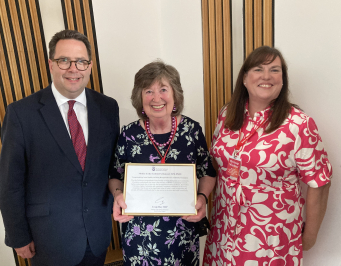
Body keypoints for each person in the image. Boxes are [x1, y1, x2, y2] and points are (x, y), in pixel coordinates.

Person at [0, 30, 119, 266]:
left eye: (81, 61)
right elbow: (10, 184)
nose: (74, 69)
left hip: (97, 234)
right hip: (48, 239)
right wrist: (18, 236)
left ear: (90, 66)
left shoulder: (107, 107)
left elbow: (114, 166)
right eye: (64, 60)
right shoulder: (21, 113)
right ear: (51, 64)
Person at [203, 46, 332, 265]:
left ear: (283, 80)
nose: (266, 76)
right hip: (224, 229)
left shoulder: (299, 124)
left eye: (274, 70)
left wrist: (309, 237)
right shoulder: (227, 115)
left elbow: (319, 182)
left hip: (270, 237)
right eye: (258, 69)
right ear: (244, 78)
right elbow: (217, 164)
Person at [109, 60, 216, 265]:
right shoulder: (129, 134)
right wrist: (118, 195)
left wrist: (202, 197)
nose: (156, 98)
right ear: (140, 97)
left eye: (163, 89)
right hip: (139, 235)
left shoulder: (192, 131)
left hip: (182, 233)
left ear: (175, 94)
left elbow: (207, 172)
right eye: (148, 91)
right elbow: (115, 176)